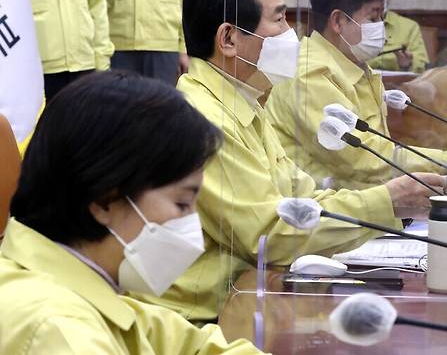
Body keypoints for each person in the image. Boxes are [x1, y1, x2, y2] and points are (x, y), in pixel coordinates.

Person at [139, 0, 447, 322]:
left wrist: (392, 204)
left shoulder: (244, 103)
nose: (293, 34)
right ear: (229, 39)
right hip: (205, 318)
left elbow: (302, 197)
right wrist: (388, 202)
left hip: (251, 293)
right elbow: (269, 236)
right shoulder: (204, 121)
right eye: (279, 19)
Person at [1, 72, 263, 354]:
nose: (193, 223)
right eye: (182, 203)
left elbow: (190, 345)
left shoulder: (84, 287)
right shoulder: (60, 332)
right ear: (105, 201)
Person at [266, 0, 447, 191]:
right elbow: (365, 159)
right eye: (373, 18)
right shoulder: (310, 74)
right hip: (321, 217)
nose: (381, 28)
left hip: (360, 207)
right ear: (338, 21)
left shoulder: (352, 66)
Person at [366, 0, 430, 73]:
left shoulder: (409, 26)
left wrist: (408, 64)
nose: (376, 1)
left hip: (399, 84)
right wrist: (390, 60)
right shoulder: (352, 25)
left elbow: (421, 66)